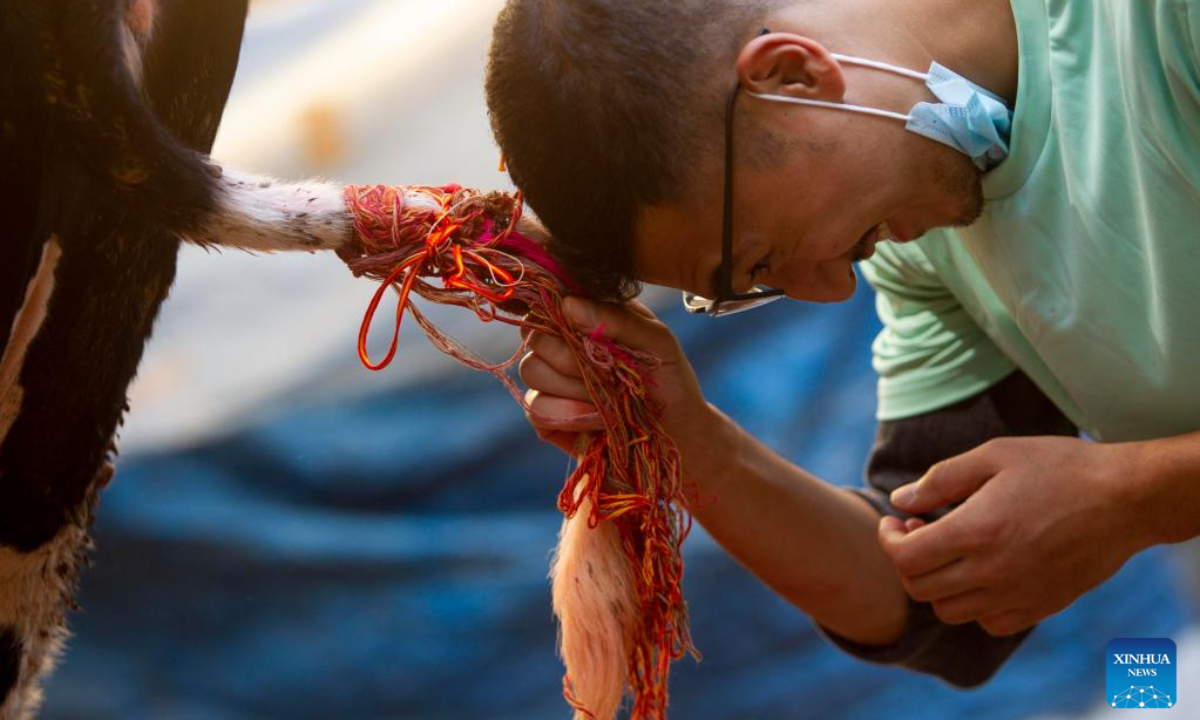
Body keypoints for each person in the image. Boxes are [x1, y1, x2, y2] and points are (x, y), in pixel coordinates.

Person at [484, 0, 1200, 687]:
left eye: (762, 258)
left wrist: (1136, 495)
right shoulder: (923, 243)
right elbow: (936, 596)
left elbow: (1128, 500)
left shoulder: (1157, 25)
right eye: (748, 285)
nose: (830, 290)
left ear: (792, 75)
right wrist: (691, 442)